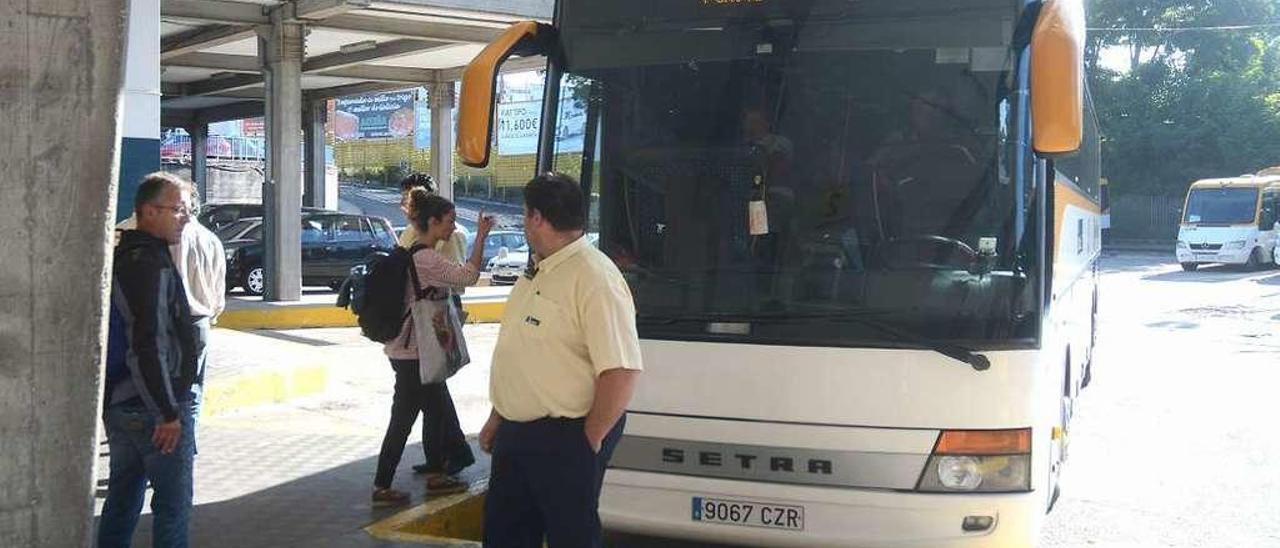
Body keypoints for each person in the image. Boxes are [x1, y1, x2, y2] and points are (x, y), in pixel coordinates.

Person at [480, 173, 643, 548]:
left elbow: (622, 370)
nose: (523, 223)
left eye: (524, 215)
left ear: (537, 218)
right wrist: (498, 415)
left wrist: (587, 440)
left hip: (566, 434)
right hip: (517, 435)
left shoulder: (594, 277)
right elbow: (523, 351)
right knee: (505, 534)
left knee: (571, 535)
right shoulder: (536, 269)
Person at [372, 190, 496, 506]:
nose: (453, 228)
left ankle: (439, 472)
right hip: (414, 354)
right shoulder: (425, 257)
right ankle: (383, 485)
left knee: (438, 410)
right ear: (432, 222)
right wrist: (481, 236)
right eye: (449, 222)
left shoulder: (415, 252)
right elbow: (467, 276)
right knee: (404, 418)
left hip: (412, 352)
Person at [98, 173, 201, 548]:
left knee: (122, 500)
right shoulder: (149, 264)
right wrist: (167, 412)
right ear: (149, 211)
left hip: (121, 402)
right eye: (178, 210)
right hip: (153, 408)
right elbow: (149, 340)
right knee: (173, 507)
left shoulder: (125, 255)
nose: (185, 218)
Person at [170, 186, 226, 419]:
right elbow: (218, 293)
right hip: (199, 323)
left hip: (170, 321)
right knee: (191, 395)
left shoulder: (169, 238)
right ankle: (187, 448)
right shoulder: (211, 240)